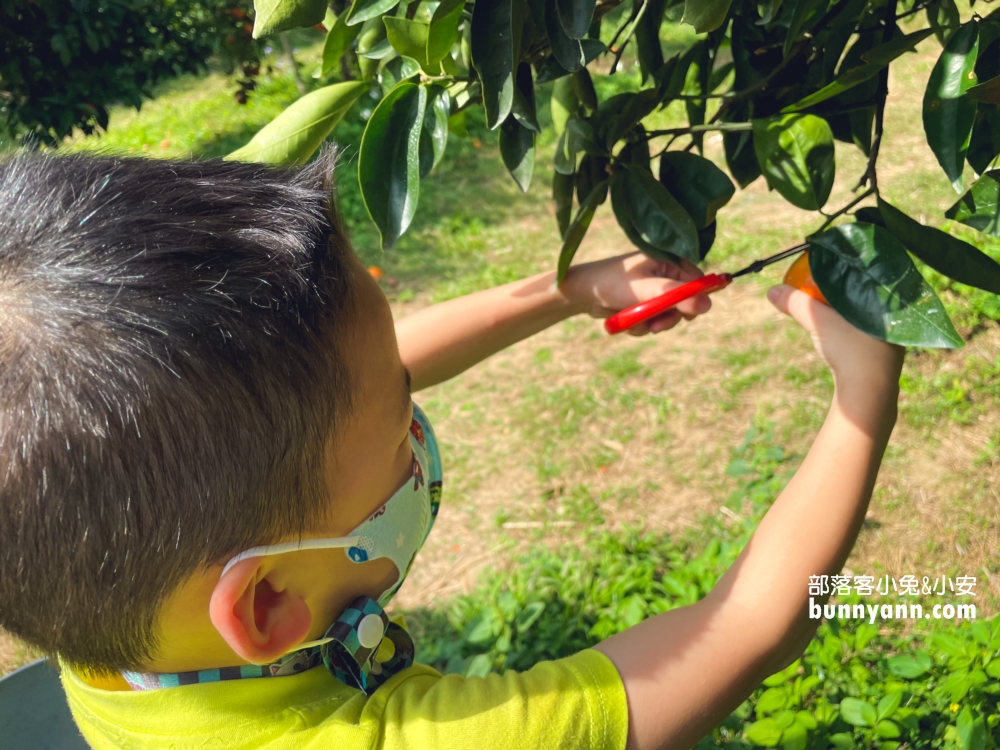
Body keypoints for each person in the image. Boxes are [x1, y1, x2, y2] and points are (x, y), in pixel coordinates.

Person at [0, 147, 902, 750]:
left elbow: (358, 379)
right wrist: (862, 401)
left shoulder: (101, 598)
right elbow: (747, 628)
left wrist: (566, 292)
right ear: (267, 601)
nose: (418, 429)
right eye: (402, 426)